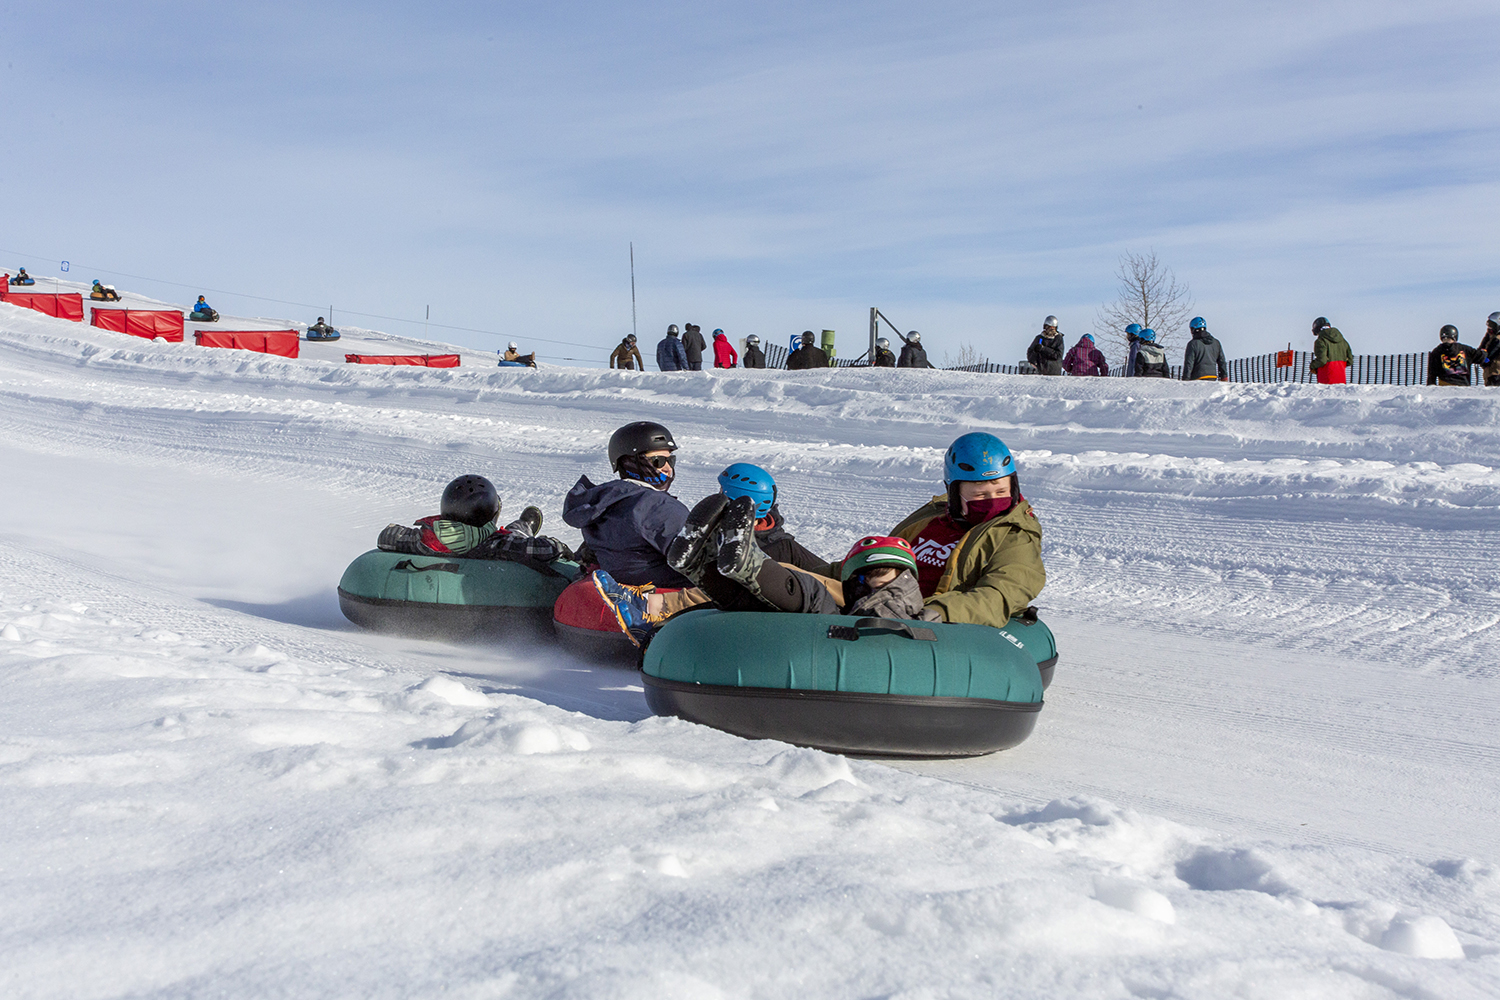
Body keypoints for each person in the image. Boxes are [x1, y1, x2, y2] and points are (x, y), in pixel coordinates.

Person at [885, 431, 1045, 626]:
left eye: (1001, 492)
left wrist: (930, 612)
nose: (992, 501)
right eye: (980, 495)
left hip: (928, 624)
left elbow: (999, 595)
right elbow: (883, 553)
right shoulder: (930, 517)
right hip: (882, 605)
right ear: (953, 493)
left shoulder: (1016, 536)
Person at [563, 421, 694, 591]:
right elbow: (697, 560)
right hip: (667, 598)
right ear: (631, 462)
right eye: (658, 461)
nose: (668, 468)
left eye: (671, 460)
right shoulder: (658, 506)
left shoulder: (603, 501)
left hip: (620, 593)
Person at [376, 475, 569, 563]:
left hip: (439, 542)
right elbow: (547, 549)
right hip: (505, 542)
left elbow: (388, 536)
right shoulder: (497, 544)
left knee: (512, 535)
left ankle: (523, 525)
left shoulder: (426, 540)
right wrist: (561, 547)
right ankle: (525, 525)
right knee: (516, 532)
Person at [1181, 316, 1227, 381]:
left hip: (1198, 377)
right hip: (1213, 376)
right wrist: (1224, 376)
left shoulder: (1192, 344)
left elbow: (1189, 364)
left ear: (1193, 329)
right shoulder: (1216, 342)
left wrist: (1186, 379)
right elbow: (1222, 361)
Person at [1309, 317, 1352, 385]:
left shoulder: (1320, 341)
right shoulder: (1343, 341)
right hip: (1341, 378)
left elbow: (1322, 360)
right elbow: (1350, 361)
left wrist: (1313, 365)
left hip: (1326, 377)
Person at [1476, 312, 1500, 388]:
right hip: (1490, 373)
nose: (1489, 327)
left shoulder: (1497, 339)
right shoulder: (1490, 337)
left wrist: (1485, 360)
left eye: (1492, 325)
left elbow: (1492, 351)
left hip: (1496, 373)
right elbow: (1481, 349)